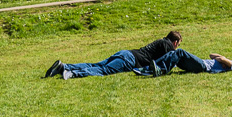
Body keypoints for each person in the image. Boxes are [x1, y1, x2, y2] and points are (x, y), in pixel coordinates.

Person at [44, 31, 182, 79]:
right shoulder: (168, 46)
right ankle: (72, 73)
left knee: (97, 64)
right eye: (178, 45)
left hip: (126, 53)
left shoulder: (161, 41)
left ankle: (64, 67)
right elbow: (170, 60)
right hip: (130, 60)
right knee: (104, 70)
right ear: (175, 42)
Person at [134, 47, 232, 76]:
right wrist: (221, 57)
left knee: (180, 52)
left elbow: (220, 59)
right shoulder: (231, 62)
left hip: (203, 66)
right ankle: (149, 69)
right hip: (201, 64)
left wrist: (222, 59)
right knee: (172, 53)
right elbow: (211, 55)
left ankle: (160, 70)